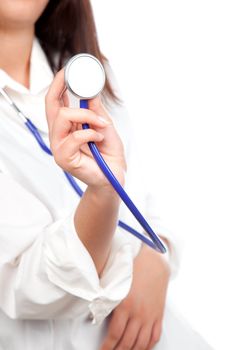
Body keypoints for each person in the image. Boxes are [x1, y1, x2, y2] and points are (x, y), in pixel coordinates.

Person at [0, 1, 213, 349]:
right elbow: (25, 290)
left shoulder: (86, 75)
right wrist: (102, 197)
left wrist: (156, 258)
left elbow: (145, 208)